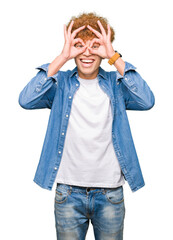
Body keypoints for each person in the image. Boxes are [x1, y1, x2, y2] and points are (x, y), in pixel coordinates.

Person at [18, 12, 155, 240]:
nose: (88, 52)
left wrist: (113, 56)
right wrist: (62, 57)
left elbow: (147, 100)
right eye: (80, 45)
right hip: (68, 193)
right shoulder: (60, 84)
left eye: (95, 46)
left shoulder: (115, 85)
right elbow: (26, 100)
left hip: (110, 193)